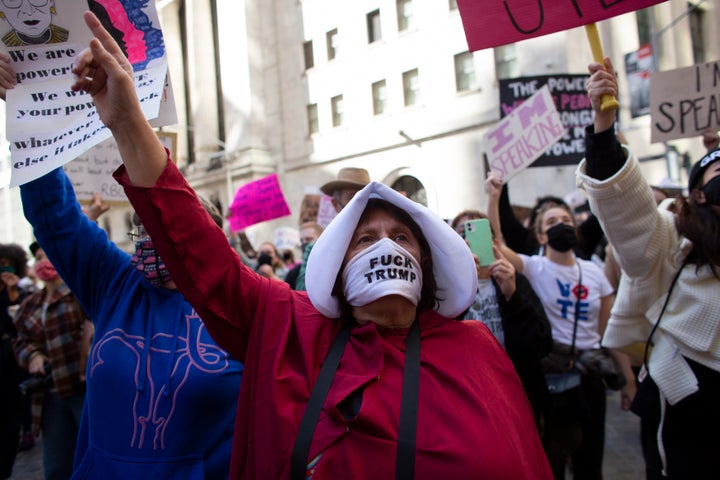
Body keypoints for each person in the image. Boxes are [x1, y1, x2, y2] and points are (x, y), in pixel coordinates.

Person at [75, 11, 553, 478]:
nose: (384, 247)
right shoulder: (288, 327)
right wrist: (127, 123)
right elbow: (199, 252)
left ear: (426, 262)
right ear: (339, 263)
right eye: (365, 238)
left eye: (401, 237)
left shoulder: (475, 348)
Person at [0, 55, 244, 478]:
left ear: (215, 237)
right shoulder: (115, 283)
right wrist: (25, 107)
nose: (160, 232)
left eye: (182, 220)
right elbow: (54, 215)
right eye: (148, 223)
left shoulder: (245, 301)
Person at [579, 57, 720, 479]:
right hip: (691, 399)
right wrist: (605, 128)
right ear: (697, 194)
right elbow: (628, 209)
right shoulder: (671, 234)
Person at [487, 174, 617, 479]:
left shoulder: (594, 273)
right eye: (551, 221)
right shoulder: (535, 267)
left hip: (590, 375)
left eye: (565, 219)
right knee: (552, 461)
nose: (561, 224)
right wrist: (494, 197)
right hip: (553, 377)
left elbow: (606, 326)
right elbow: (496, 245)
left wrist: (626, 377)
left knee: (590, 460)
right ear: (542, 236)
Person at [450, 209, 552, 432]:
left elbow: (540, 344)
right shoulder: (447, 290)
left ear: (493, 241)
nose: (469, 240)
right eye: (461, 233)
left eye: (477, 233)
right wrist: (460, 284)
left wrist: (512, 296)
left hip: (516, 397)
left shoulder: (515, 281)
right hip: (469, 399)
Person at [13, 243, 91, 480]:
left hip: (84, 390)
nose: (43, 261)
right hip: (51, 395)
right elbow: (21, 341)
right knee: (57, 465)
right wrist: (34, 356)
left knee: (92, 454)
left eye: (47, 254)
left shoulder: (79, 294)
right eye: (38, 257)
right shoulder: (30, 305)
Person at [294, 167, 371, 291]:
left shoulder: (387, 238)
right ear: (335, 204)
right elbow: (304, 288)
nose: (360, 202)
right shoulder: (317, 248)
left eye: (366, 196)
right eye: (353, 197)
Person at [0, 243, 34, 478]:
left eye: (7, 265)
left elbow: (24, 325)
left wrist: (14, 294)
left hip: (13, 365)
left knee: (11, 419)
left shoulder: (22, 295)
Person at [0, 0, 68, 47]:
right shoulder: (4, 45)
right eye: (13, 1)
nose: (29, 11)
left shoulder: (71, 35)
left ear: (50, 2)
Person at [285, 221, 323, 289]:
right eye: (301, 241)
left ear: (322, 239)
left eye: (308, 239)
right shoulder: (293, 273)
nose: (304, 243)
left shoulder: (330, 268)